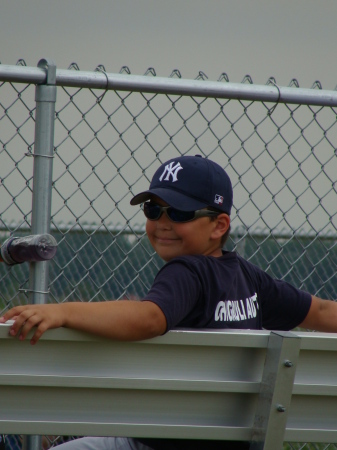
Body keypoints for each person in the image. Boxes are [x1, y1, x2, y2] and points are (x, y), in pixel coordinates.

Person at [1, 155, 337, 450]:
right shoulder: (249, 278)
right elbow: (320, 311)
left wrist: (62, 311)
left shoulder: (187, 271)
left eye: (179, 212)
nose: (163, 222)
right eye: (154, 209)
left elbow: (150, 317)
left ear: (219, 224)